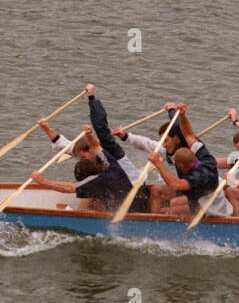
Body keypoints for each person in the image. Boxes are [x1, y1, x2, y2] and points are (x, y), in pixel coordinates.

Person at [29, 85, 151, 213]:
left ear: (89, 151)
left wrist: (42, 181)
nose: (82, 160)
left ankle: (81, 215)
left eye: (82, 157)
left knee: (89, 190)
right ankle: (87, 213)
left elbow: (70, 188)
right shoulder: (94, 155)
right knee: (91, 193)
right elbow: (66, 146)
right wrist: (46, 128)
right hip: (117, 192)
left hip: (135, 195)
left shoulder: (111, 159)